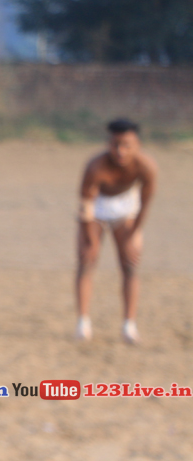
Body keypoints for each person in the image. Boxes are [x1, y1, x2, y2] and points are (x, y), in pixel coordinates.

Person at [76, 118, 158, 343]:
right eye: (115, 145)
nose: (120, 151)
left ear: (137, 145)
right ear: (108, 144)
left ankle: (129, 326)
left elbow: (145, 203)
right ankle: (83, 323)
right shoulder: (96, 166)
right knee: (86, 260)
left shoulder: (146, 166)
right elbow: (85, 204)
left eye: (126, 145)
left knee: (130, 264)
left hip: (127, 207)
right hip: (97, 206)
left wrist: (134, 233)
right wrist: (89, 236)